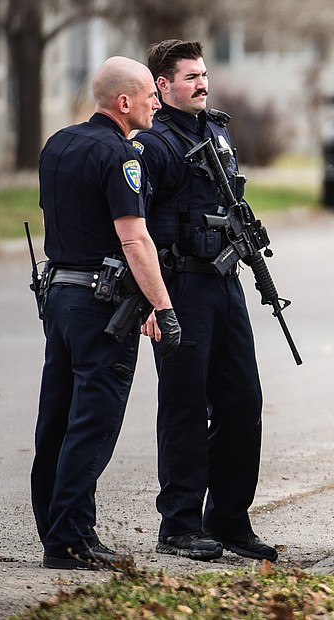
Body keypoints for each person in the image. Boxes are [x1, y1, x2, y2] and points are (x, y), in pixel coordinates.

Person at [32, 56, 182, 570]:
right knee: (92, 423)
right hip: (102, 306)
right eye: (149, 97)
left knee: (56, 415)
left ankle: (54, 523)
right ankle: (69, 538)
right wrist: (163, 307)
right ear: (124, 102)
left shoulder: (59, 143)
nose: (156, 105)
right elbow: (134, 236)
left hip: (60, 298)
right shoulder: (122, 155)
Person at [134, 40, 275, 563]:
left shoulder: (215, 129)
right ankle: (179, 523)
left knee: (243, 402)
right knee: (185, 407)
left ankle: (229, 519)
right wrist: (152, 302)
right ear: (162, 87)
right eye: (190, 76)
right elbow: (135, 226)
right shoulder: (154, 143)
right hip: (179, 287)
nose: (202, 83)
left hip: (224, 283)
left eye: (204, 74)